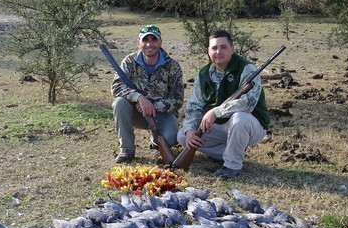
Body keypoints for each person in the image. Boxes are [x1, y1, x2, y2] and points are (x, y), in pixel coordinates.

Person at [177, 30, 269, 178]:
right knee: (182, 136)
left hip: (250, 125)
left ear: (232, 48)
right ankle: (230, 152)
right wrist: (189, 130)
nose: (218, 51)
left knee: (240, 119)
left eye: (223, 47)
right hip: (220, 127)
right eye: (214, 48)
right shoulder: (204, 73)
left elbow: (248, 103)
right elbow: (194, 105)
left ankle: (232, 166)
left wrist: (216, 112)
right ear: (208, 51)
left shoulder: (248, 69)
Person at [111, 25, 184, 163]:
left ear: (160, 42)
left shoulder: (173, 66)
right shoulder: (129, 61)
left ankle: (156, 139)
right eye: (145, 40)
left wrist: (154, 106)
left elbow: (177, 99)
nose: (149, 44)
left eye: (154, 40)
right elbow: (117, 86)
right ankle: (127, 150)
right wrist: (138, 98)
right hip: (136, 112)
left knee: (171, 138)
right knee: (119, 103)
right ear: (138, 42)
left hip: (161, 114)